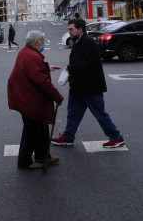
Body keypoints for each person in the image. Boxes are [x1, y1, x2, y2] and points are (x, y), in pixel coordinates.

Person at [51, 18, 125, 148]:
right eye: (68, 29)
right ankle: (68, 137)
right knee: (73, 113)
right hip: (79, 86)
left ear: (80, 29)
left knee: (99, 113)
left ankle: (116, 137)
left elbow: (88, 64)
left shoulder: (88, 42)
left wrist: (71, 69)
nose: (69, 32)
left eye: (71, 29)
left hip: (90, 87)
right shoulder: (80, 41)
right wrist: (72, 81)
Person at [8, 30, 64, 169]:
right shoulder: (32, 56)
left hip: (26, 95)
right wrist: (57, 97)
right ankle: (24, 161)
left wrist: (46, 68)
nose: (43, 44)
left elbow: (34, 71)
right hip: (28, 98)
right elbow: (41, 81)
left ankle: (43, 155)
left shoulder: (26, 53)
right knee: (32, 131)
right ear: (36, 42)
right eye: (42, 41)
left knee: (42, 127)